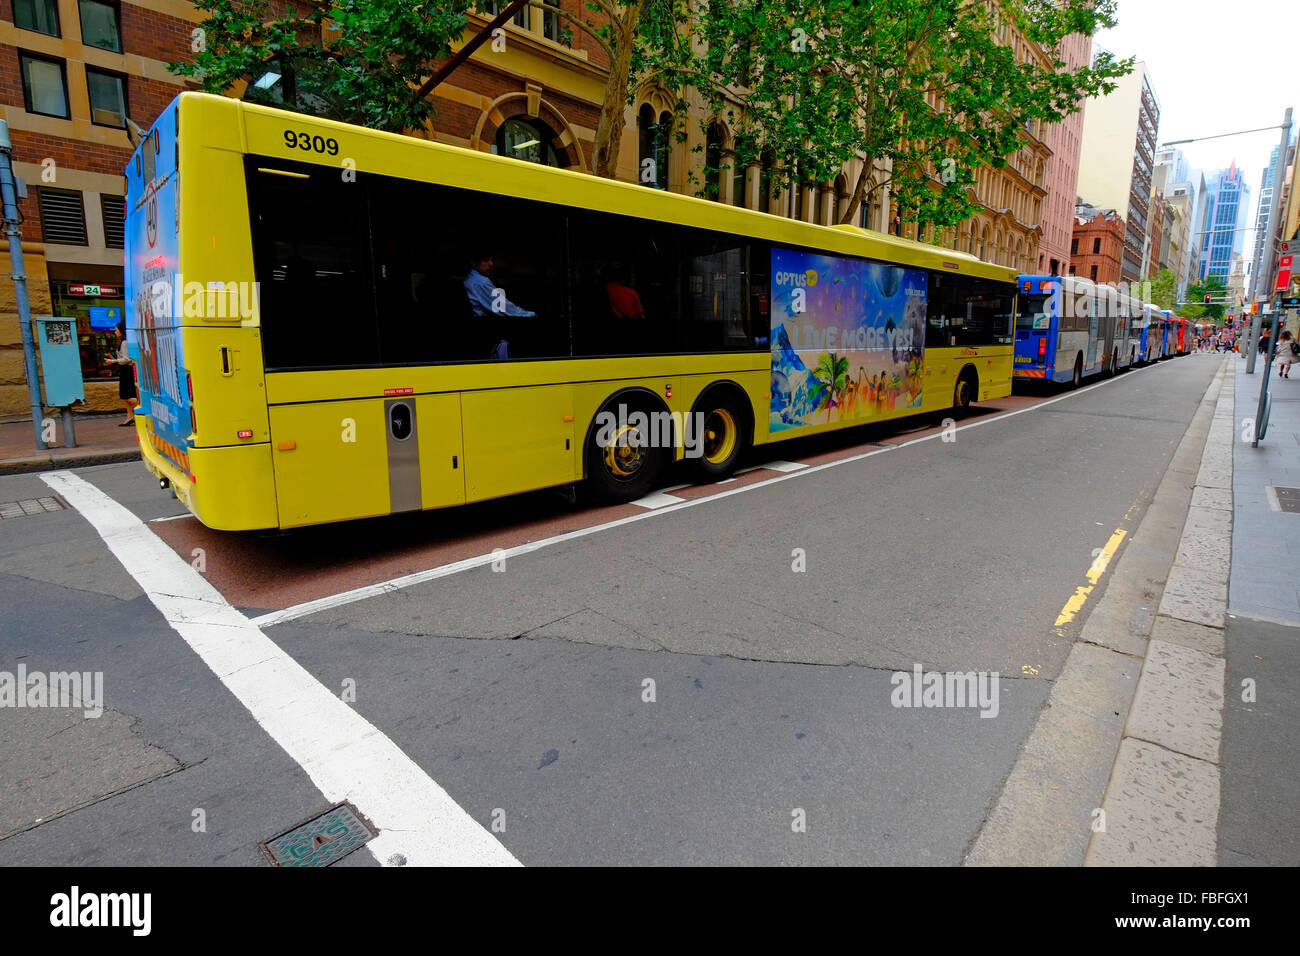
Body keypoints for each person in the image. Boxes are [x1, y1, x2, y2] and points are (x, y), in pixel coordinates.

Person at [464, 252, 535, 359]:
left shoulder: (473, 279)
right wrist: (531, 314)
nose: (491, 264)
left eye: (491, 260)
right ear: (474, 263)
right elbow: (504, 309)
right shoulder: (480, 282)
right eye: (486, 260)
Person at [108, 321, 138, 426]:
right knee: (125, 395)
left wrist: (113, 361)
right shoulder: (123, 342)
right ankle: (129, 416)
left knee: (129, 395)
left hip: (127, 370)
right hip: (124, 370)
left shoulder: (125, 342)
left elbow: (127, 359)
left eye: (116, 330)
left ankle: (140, 409)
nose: (115, 332)